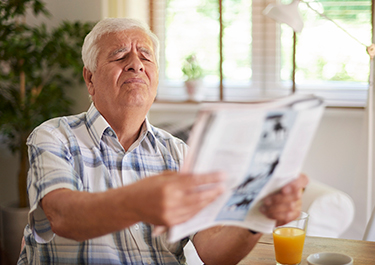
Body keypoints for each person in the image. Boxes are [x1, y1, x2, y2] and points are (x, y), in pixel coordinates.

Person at [18, 17, 308, 265]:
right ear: (90, 79)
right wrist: (140, 202)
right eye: (120, 56)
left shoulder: (179, 153)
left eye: (146, 56)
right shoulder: (54, 136)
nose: (136, 65)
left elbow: (214, 251)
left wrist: (257, 218)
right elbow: (62, 216)